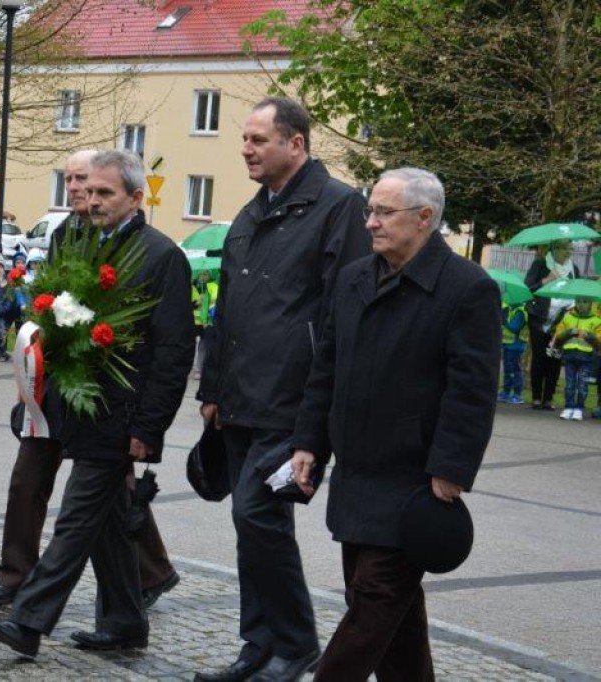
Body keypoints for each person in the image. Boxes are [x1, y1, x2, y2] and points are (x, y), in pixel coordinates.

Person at [0, 150, 194, 658]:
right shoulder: (74, 239)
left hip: (120, 412)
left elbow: (172, 352)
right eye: (89, 191)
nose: (92, 201)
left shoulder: (161, 255)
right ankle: (124, 623)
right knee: (110, 524)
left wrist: (151, 426)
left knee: (77, 518)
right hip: (72, 403)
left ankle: (29, 621)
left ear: (136, 198)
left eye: (105, 193)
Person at [290, 167, 501, 681]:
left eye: (384, 212)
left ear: (425, 218)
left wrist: (451, 468)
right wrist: (309, 443)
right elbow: (327, 370)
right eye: (371, 210)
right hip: (358, 473)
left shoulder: (467, 288)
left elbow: (472, 391)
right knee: (391, 614)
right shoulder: (353, 278)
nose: (370, 223)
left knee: (373, 605)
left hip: (414, 481)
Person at [195, 97, 369, 682]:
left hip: (293, 400)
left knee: (257, 513)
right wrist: (213, 386)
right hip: (242, 396)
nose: (246, 148)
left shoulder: (340, 208)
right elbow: (227, 312)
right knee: (251, 523)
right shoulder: (250, 214)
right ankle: (258, 645)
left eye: (258, 139)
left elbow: (345, 313)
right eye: (244, 139)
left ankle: (295, 644)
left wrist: (320, 412)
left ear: (296, 144)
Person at [524, 241, 580, 410]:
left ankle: (548, 398)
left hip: (562, 320)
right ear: (554, 249)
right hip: (539, 318)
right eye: (565, 248)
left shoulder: (574, 269)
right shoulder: (540, 264)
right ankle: (536, 397)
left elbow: (577, 292)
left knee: (555, 359)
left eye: (571, 249)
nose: (569, 252)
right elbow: (528, 288)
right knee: (539, 358)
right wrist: (546, 280)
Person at [550, 296, 601, 421]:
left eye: (584, 302)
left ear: (590, 304)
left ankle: (579, 408)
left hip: (587, 359)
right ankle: (568, 407)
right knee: (570, 384)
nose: (581, 304)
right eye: (578, 301)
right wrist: (569, 332)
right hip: (570, 357)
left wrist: (588, 336)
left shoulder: (596, 320)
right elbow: (559, 334)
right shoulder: (568, 317)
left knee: (582, 385)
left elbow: (599, 340)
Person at [191, 269, 219, 380]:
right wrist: (196, 303)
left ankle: (199, 368)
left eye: (206, 274)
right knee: (190, 345)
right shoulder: (192, 286)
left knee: (204, 345)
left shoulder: (212, 286)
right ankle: (191, 366)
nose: (203, 276)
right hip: (192, 322)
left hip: (206, 322)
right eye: (201, 274)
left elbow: (213, 305)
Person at [499, 300, 528, 404]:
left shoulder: (521, 311)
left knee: (514, 370)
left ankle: (517, 394)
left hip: (516, 345)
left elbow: (515, 327)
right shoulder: (511, 309)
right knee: (508, 370)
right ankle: (506, 393)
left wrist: (504, 320)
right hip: (508, 344)